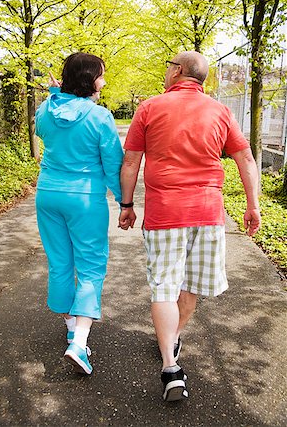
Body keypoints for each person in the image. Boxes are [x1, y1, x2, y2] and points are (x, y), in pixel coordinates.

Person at [118, 51, 261, 401]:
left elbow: (131, 160)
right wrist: (253, 205)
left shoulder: (150, 107)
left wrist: (126, 205)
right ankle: (174, 336)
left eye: (168, 66)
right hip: (208, 214)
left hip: (165, 212)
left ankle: (170, 364)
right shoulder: (220, 110)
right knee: (191, 284)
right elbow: (244, 157)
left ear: (177, 71)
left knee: (164, 285)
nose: (166, 72)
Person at [35, 52, 123, 375]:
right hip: (84, 199)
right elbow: (114, 165)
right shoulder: (100, 117)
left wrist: (55, 95)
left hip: (48, 195)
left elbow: (44, 127)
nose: (103, 81)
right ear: (88, 79)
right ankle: (79, 343)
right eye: (100, 75)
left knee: (60, 264)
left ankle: (72, 325)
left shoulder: (46, 109)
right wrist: (125, 202)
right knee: (91, 266)